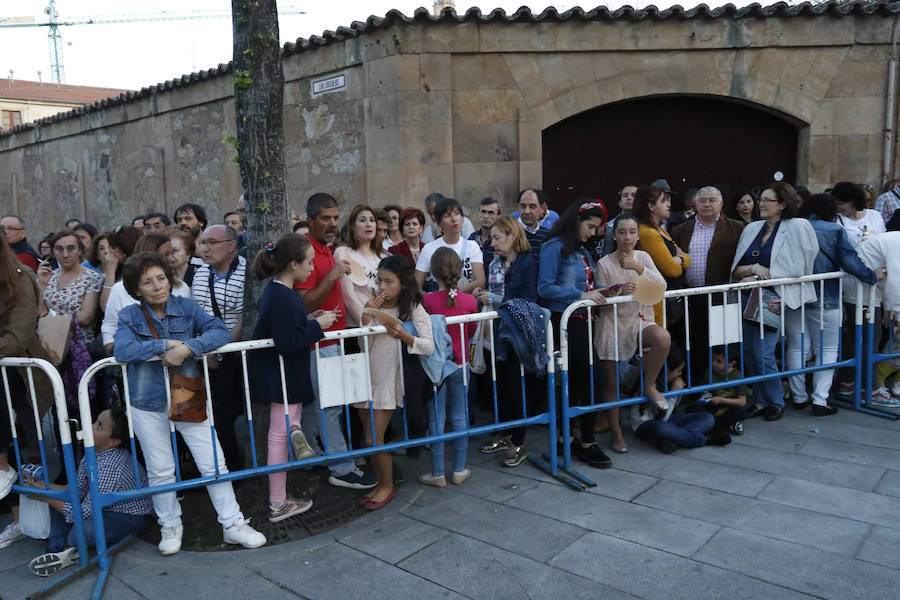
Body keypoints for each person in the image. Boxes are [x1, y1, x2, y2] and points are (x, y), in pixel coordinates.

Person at [114, 251, 266, 555]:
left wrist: (187, 348)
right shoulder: (129, 316)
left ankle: (233, 522)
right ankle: (170, 524)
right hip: (146, 401)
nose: (157, 286)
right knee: (160, 468)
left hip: (188, 395)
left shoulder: (186, 306)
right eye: (148, 282)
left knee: (213, 461)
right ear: (136, 289)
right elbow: (122, 349)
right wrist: (164, 345)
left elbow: (219, 331)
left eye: (161, 278)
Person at [250, 234, 338, 522]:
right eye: (310, 263)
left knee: (282, 434)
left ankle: (280, 497)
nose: (313, 269)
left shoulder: (279, 292)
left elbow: (285, 330)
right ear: (293, 264)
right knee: (278, 438)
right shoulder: (282, 295)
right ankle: (278, 503)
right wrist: (317, 326)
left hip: (283, 378)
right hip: (282, 380)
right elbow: (286, 342)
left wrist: (310, 319)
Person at [296, 193, 376, 490]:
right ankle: (341, 467)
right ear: (310, 219)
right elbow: (304, 303)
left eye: (335, 218)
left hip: (334, 340)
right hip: (320, 342)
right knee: (329, 406)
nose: (332, 223)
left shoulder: (328, 251)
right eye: (325, 218)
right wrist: (332, 276)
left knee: (323, 405)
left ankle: (317, 457)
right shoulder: (309, 252)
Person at [23, 407, 153, 577]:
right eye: (95, 421)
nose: (91, 426)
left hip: (131, 517)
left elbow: (85, 511)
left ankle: (65, 546)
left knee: (80, 532)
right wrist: (41, 487)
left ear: (113, 441)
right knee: (54, 503)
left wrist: (46, 496)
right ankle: (60, 550)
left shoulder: (110, 465)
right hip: (101, 510)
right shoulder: (94, 452)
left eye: (99, 426)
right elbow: (76, 490)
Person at [731, 182, 819, 421]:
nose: (761, 204)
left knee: (763, 352)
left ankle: (775, 400)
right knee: (749, 351)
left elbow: (800, 266)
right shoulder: (752, 229)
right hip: (747, 294)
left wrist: (758, 273)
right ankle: (760, 400)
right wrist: (754, 268)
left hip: (772, 296)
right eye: (762, 199)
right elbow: (737, 267)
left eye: (768, 200)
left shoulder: (797, 226)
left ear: (782, 204)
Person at [538, 200, 615, 463]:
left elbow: (588, 286)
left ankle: (573, 439)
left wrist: (607, 292)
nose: (593, 232)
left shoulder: (582, 249)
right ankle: (580, 440)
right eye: (590, 226)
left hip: (582, 320)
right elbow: (545, 288)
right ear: (576, 222)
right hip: (565, 320)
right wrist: (581, 295)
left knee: (586, 381)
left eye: (596, 228)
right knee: (583, 380)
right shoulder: (553, 247)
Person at [791, 193, 879, 415]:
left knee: (796, 346)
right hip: (825, 295)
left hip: (793, 294)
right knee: (827, 349)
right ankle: (820, 399)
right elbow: (851, 263)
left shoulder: (790, 227)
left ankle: (798, 395)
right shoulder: (833, 230)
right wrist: (872, 276)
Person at [359, 256, 435, 509]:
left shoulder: (413, 307)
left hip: (388, 380)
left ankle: (388, 487)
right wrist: (366, 318)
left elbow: (428, 346)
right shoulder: (371, 305)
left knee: (373, 439)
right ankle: (381, 484)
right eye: (379, 280)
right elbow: (364, 345)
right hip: (366, 377)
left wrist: (404, 334)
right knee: (368, 438)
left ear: (403, 284)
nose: (382, 286)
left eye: (389, 281)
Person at [594, 214, 671, 450]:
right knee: (611, 384)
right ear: (614, 235)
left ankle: (649, 385)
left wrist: (638, 268)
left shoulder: (644, 257)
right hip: (612, 323)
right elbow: (600, 296)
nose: (627, 237)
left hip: (640, 320)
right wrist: (617, 291)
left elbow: (660, 285)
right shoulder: (603, 263)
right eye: (622, 232)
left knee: (662, 337)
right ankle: (617, 434)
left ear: (638, 235)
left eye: (632, 232)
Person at [474, 216, 542, 466]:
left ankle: (519, 441)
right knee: (499, 387)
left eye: (497, 237)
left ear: (512, 236)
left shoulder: (528, 264)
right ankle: (505, 433)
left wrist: (494, 297)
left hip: (517, 335)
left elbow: (528, 301)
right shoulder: (495, 263)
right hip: (495, 333)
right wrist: (483, 295)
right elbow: (495, 295)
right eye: (491, 238)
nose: (492, 243)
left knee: (515, 388)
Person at [0, 235, 54, 550]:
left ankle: (51, 523)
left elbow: (17, 338)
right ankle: (20, 521)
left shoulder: (19, 279)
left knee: (36, 453)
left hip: (24, 379)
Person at [671, 186, 745, 380]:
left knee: (724, 347)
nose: (707, 204)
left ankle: (725, 391)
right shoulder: (680, 230)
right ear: (695, 204)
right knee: (694, 346)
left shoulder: (737, 228)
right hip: (690, 297)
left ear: (721, 204)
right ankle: (694, 389)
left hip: (722, 297)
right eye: (702, 200)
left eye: (712, 200)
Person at [190, 224, 246, 470]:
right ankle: (227, 469)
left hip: (235, 355)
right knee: (218, 418)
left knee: (238, 415)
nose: (205, 248)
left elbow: (244, 317)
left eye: (211, 242)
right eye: (203, 243)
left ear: (231, 245)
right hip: (208, 357)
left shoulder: (246, 273)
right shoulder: (201, 273)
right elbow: (196, 314)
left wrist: (221, 353)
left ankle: (241, 469)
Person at [420, 248, 477, 486]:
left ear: (433, 273)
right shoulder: (470, 301)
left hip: (436, 367)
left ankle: (437, 472)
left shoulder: (426, 301)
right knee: (460, 416)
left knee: (437, 418)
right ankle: (460, 469)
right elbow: (472, 330)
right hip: (461, 363)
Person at [101, 233, 191, 353]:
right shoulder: (121, 295)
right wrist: (115, 357)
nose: (171, 259)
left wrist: (189, 347)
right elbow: (110, 328)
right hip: (135, 363)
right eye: (165, 255)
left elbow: (211, 329)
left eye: (173, 252)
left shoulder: (182, 288)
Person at [631, 349, 729, 454]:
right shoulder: (650, 385)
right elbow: (662, 419)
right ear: (667, 371)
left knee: (708, 418)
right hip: (646, 424)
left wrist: (677, 394)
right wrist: (674, 394)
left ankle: (670, 439)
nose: (680, 374)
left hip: (668, 420)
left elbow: (671, 415)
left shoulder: (671, 382)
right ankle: (702, 440)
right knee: (663, 428)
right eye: (678, 371)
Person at [635, 185, 691, 327]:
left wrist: (680, 259)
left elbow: (686, 257)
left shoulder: (658, 229)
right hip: (658, 305)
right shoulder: (648, 232)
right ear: (651, 206)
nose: (669, 203)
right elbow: (673, 270)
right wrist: (681, 259)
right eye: (663, 200)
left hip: (669, 301)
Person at [415, 197, 485, 294]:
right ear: (439, 223)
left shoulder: (472, 246)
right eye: (447, 216)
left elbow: (480, 281)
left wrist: (453, 293)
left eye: (457, 213)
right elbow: (416, 284)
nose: (454, 219)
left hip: (466, 304)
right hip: (438, 305)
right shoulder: (429, 248)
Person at [334, 206, 389, 327]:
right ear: (353, 226)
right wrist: (365, 323)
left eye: (372, 220)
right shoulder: (343, 253)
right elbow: (348, 296)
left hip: (384, 325)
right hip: (358, 327)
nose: (368, 224)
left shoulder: (384, 256)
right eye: (363, 220)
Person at [683, 344, 748, 435]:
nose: (714, 363)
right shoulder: (709, 372)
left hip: (728, 406)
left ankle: (713, 427)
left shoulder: (737, 376)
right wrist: (707, 396)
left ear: (731, 364)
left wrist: (721, 400)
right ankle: (726, 425)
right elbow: (701, 389)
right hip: (712, 404)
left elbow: (742, 401)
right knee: (691, 408)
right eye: (713, 359)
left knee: (740, 411)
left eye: (719, 361)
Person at [833, 181, 885, 248]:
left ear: (853, 201)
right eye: (836, 204)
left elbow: (883, 239)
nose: (838, 207)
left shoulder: (875, 215)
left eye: (841, 204)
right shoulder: (836, 220)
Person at [599, 184, 637, 258]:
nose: (629, 198)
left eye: (634, 195)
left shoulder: (648, 225)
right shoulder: (609, 227)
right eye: (625, 195)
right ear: (620, 203)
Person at [516, 189, 553, 257]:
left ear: (542, 208)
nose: (527, 212)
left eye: (532, 206)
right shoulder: (508, 233)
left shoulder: (548, 236)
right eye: (523, 206)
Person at [470, 197, 500, 268]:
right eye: (483, 212)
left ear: (498, 216)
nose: (486, 216)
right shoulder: (472, 238)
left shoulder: (501, 240)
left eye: (490, 213)